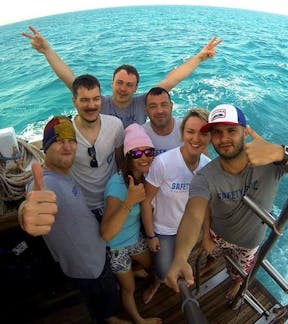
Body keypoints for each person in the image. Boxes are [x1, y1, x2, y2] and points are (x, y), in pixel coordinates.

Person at [164, 104, 288, 301]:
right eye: (217, 132)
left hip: (249, 243)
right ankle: (211, 260)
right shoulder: (205, 177)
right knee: (209, 251)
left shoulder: (270, 161)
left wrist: (279, 153)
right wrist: (180, 257)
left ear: (245, 132)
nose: (224, 138)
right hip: (217, 234)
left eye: (231, 130)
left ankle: (237, 283)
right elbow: (193, 214)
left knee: (239, 272)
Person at [18, 116, 130, 324]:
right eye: (59, 141)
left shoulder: (64, 174)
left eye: (71, 141)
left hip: (94, 254)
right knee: (103, 300)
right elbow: (34, 204)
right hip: (87, 267)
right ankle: (109, 319)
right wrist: (26, 215)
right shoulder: (45, 183)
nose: (67, 146)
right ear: (45, 147)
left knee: (104, 292)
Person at [22, 26, 222, 127]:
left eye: (129, 84)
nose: (123, 88)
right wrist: (47, 50)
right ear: (112, 83)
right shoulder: (100, 103)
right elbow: (71, 80)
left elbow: (172, 80)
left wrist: (200, 57)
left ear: (135, 88)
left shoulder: (143, 102)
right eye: (119, 82)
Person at [140, 108, 211, 297]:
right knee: (163, 272)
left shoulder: (207, 166)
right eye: (190, 132)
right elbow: (146, 202)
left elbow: (205, 206)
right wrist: (150, 235)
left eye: (203, 133)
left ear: (210, 136)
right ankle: (156, 281)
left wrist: (206, 234)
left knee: (179, 265)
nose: (196, 138)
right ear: (182, 133)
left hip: (189, 230)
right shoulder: (163, 163)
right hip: (164, 229)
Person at [101, 123, 161, 324]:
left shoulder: (145, 177)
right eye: (136, 154)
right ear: (128, 157)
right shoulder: (117, 187)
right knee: (129, 289)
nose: (144, 157)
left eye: (148, 151)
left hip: (135, 238)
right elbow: (106, 234)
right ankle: (138, 320)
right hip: (116, 247)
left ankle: (133, 272)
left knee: (152, 265)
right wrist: (129, 202)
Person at [69, 74, 124, 220]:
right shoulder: (65, 133)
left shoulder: (115, 125)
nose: (91, 105)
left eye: (96, 99)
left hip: (112, 198)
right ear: (74, 101)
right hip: (82, 205)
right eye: (84, 100)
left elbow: (120, 161)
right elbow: (54, 170)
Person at [142, 87, 182, 155]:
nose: (159, 111)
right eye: (153, 106)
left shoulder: (186, 129)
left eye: (164, 105)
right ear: (146, 110)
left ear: (171, 106)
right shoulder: (140, 134)